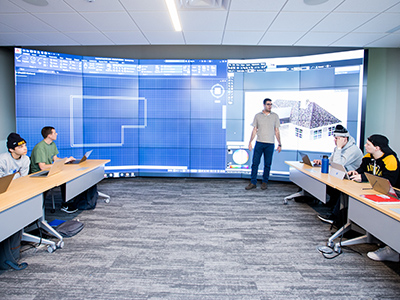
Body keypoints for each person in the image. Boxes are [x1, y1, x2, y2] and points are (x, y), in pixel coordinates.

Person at [348, 134, 400, 262]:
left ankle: (390, 248)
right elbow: (362, 169)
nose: (365, 146)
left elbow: (389, 181)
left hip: (393, 195)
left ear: (377, 147)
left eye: (368, 144)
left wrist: (363, 178)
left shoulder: (390, 159)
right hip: (377, 190)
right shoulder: (368, 157)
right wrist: (357, 173)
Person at [315, 125, 363, 225]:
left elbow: (338, 164)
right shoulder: (340, 148)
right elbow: (332, 161)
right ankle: (332, 206)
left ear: (345, 139)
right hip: (342, 177)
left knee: (334, 186)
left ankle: (335, 216)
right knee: (325, 182)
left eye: (337, 139)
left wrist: (339, 147)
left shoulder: (352, 150)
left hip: (351, 180)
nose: (335, 141)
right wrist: (323, 162)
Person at [30, 126, 77, 213]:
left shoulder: (52, 144)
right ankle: (38, 211)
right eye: (54, 133)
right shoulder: (40, 147)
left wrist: (66, 160)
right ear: (49, 135)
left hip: (49, 171)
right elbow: (42, 167)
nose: (56, 134)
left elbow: (55, 159)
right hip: (40, 174)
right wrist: (57, 165)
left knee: (66, 178)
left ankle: (65, 203)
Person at [246, 98, 281, 190]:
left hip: (270, 144)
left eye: (271, 104)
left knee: (267, 164)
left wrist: (280, 144)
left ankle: (264, 182)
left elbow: (277, 131)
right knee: (255, 163)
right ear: (264, 105)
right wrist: (250, 142)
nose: (270, 106)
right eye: (268, 104)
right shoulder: (258, 116)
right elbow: (254, 130)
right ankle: (253, 182)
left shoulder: (275, 116)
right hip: (259, 143)